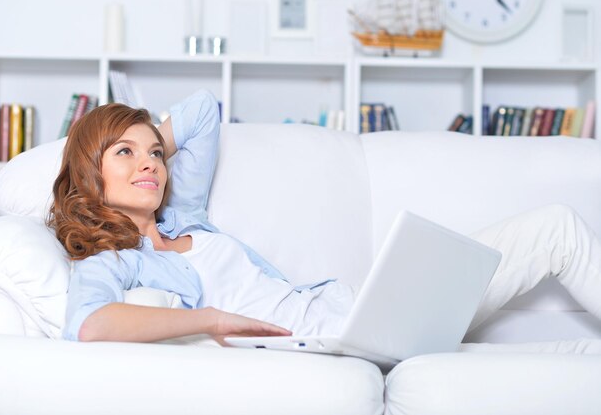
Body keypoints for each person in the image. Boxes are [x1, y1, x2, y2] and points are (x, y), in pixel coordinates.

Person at [49, 89, 601, 344]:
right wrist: (211, 319)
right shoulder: (117, 260)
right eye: (126, 153)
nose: (150, 162)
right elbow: (89, 324)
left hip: (359, 308)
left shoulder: (185, 219)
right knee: (555, 229)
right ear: (88, 171)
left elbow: (200, 113)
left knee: (556, 223)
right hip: (342, 336)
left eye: (154, 154)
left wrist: (137, 147)